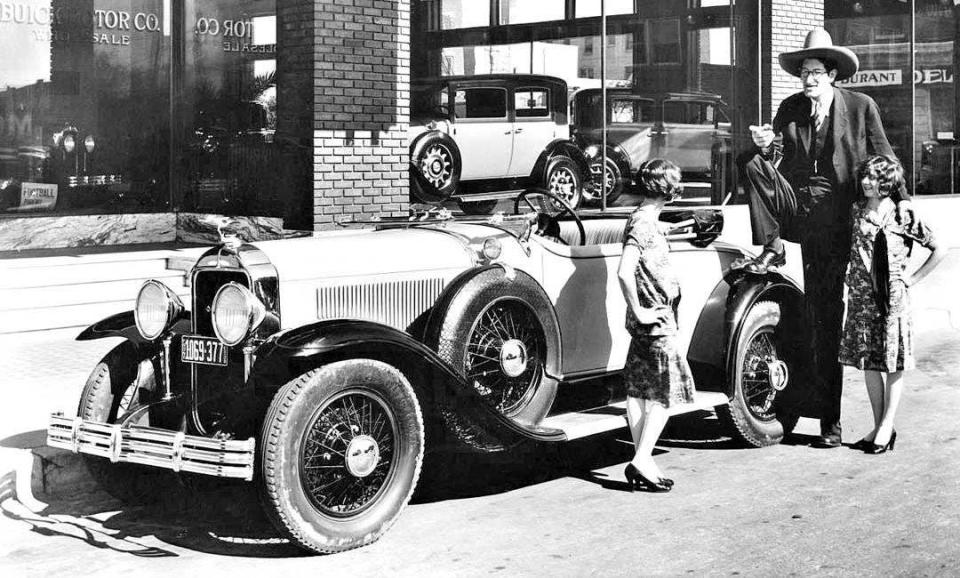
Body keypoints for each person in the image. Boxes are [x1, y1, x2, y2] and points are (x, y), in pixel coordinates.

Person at [738, 28, 913, 449]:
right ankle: (772, 245)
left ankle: (829, 426)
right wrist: (765, 145)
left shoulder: (860, 106)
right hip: (799, 208)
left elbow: (884, 155)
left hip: (839, 220)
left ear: (833, 74)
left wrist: (903, 200)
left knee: (825, 319)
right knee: (751, 163)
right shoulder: (791, 108)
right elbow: (776, 157)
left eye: (816, 72)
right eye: (804, 72)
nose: (808, 79)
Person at [839, 155, 944, 454]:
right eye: (865, 176)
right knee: (869, 363)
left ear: (887, 182)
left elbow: (939, 249)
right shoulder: (856, 210)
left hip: (892, 300)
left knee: (893, 362)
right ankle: (878, 426)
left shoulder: (903, 215)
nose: (866, 182)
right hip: (861, 298)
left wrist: (912, 278)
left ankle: (887, 424)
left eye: (873, 177)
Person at [617, 159, 695, 492]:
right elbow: (624, 270)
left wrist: (667, 229)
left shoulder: (641, 219)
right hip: (657, 319)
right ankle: (641, 459)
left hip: (642, 323)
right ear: (668, 190)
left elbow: (645, 240)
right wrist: (644, 309)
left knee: (638, 390)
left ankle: (644, 463)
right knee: (664, 394)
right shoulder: (644, 226)